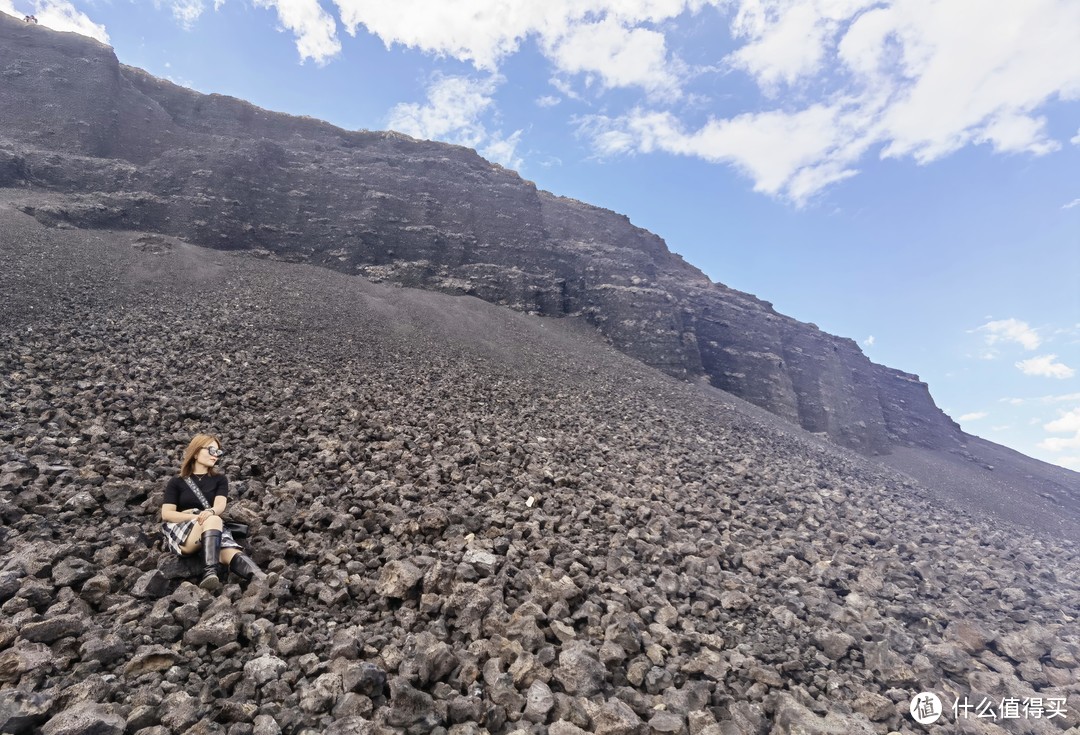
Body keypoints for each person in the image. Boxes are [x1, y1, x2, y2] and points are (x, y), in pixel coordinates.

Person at [160, 433, 266, 590]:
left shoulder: (220, 479)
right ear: (195, 452)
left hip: (210, 529)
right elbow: (167, 514)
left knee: (228, 547)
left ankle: (259, 577)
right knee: (214, 520)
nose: (215, 455)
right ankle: (209, 572)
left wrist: (209, 512)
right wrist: (196, 516)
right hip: (185, 532)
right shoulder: (177, 482)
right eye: (211, 450)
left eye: (218, 452)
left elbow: (220, 505)